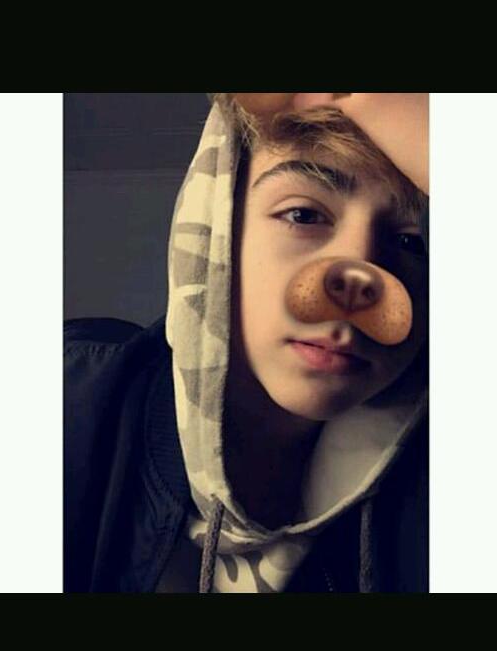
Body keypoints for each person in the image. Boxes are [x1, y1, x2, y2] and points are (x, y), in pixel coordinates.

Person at [64, 93, 429, 593]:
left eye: (412, 242)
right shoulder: (69, 396)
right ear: (217, 232)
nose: (357, 281)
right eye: (303, 215)